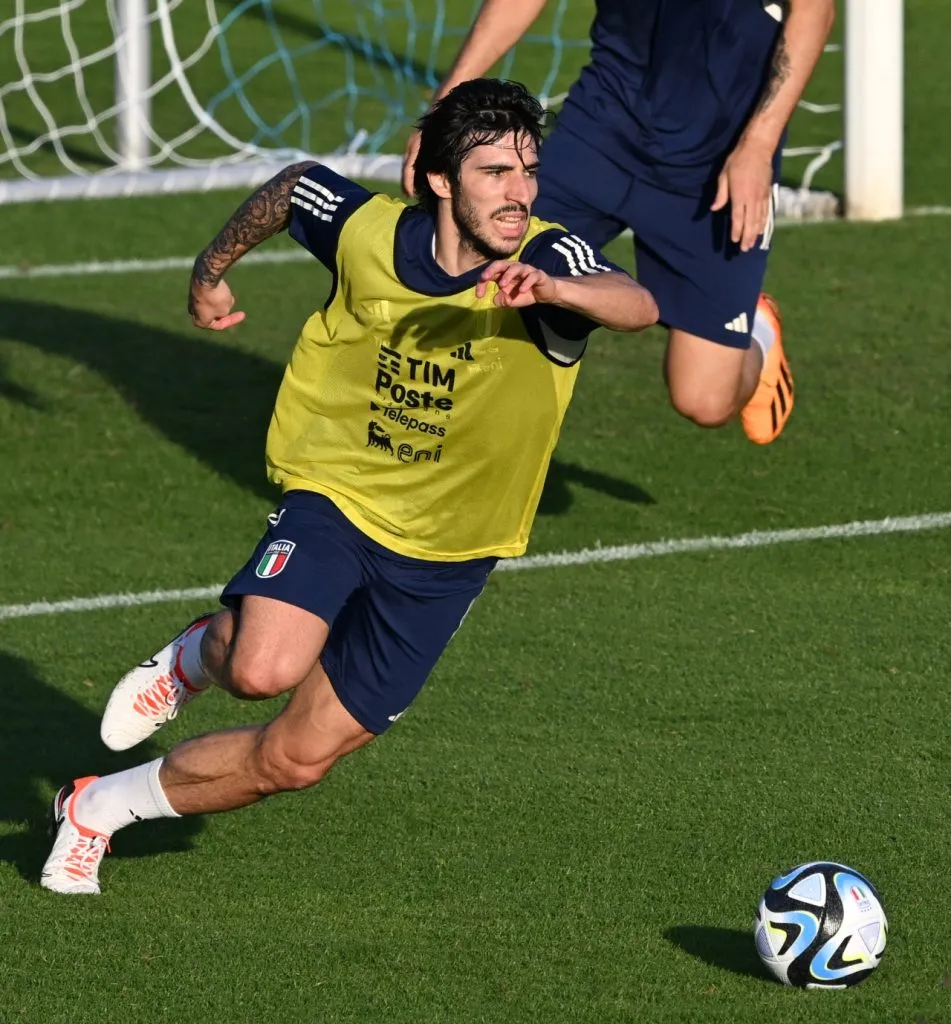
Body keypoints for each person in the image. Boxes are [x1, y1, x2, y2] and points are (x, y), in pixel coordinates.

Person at [40, 78, 658, 895]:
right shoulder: (367, 231)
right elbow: (294, 187)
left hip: (450, 553)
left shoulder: (543, 261)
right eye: (494, 173)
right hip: (338, 494)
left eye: (527, 170)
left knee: (293, 760)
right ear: (440, 181)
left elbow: (637, 303)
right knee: (263, 669)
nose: (519, 192)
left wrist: (556, 291)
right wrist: (210, 267)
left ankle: (97, 809)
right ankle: (202, 655)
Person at [403, 0, 836, 444]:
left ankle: (758, 333)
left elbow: (815, 11)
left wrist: (759, 146)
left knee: (704, 400)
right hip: (603, 129)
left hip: (716, 160)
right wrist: (446, 105)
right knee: (466, 272)